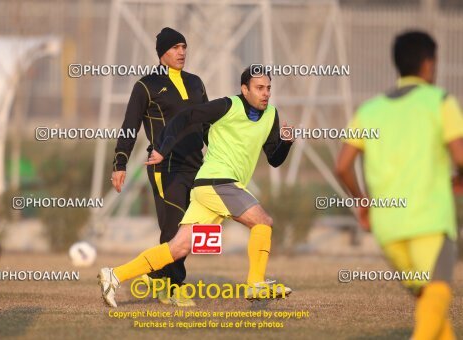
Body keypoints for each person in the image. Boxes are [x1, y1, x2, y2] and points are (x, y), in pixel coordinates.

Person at [98, 66, 294, 307]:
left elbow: (274, 159)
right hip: (217, 181)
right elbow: (186, 116)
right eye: (259, 88)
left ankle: (114, 275)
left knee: (177, 248)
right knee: (263, 222)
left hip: (207, 189)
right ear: (244, 90)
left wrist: (285, 143)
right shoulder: (227, 106)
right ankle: (255, 284)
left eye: (268, 88)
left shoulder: (271, 115)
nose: (265, 93)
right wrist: (162, 147)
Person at [336, 31, 463, 340]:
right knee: (438, 294)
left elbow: (341, 166)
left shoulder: (370, 110)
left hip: (388, 228)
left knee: (429, 304)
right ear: (429, 64)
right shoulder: (440, 102)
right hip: (429, 222)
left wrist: (361, 201)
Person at [110, 27, 209, 306]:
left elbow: (206, 125)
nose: (182, 52)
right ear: (162, 52)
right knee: (174, 225)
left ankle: (155, 277)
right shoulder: (146, 85)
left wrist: (220, 156)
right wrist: (120, 162)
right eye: (176, 47)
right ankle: (173, 286)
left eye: (184, 47)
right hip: (164, 167)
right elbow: (129, 126)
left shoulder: (196, 83)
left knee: (191, 230)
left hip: (196, 166)